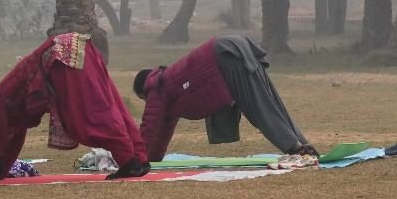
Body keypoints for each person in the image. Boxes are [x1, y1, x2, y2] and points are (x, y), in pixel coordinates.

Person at [0, 33, 149, 183]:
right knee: (112, 104)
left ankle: (128, 162)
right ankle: (139, 158)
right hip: (79, 47)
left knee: (88, 118)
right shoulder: (12, 114)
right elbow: (12, 146)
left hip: (61, 59)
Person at [133, 34, 317, 162]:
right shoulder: (169, 86)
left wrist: (137, 159)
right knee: (270, 100)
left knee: (259, 108)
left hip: (224, 56)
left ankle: (295, 148)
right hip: (233, 46)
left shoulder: (156, 87)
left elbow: (149, 127)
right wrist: (153, 159)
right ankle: (303, 144)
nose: (147, 103)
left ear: (143, 92)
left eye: (144, 99)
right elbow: (163, 129)